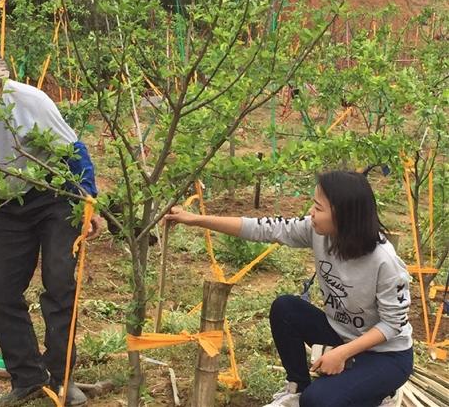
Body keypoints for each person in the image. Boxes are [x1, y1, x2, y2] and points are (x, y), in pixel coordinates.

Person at [0, 30, 101, 406]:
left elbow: (75, 153)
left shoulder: (31, 102)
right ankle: (28, 377)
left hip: (55, 197)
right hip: (7, 205)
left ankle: (61, 379)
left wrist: (86, 201)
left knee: (60, 284)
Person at [165, 171, 413, 407]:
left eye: (318, 207)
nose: (310, 212)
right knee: (286, 308)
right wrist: (196, 220)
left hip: (386, 355)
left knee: (318, 402)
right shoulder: (318, 233)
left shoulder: (385, 262)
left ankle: (379, 396)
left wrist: (342, 354)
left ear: (343, 215)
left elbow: (392, 325)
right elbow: (263, 228)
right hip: (342, 334)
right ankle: (297, 387)